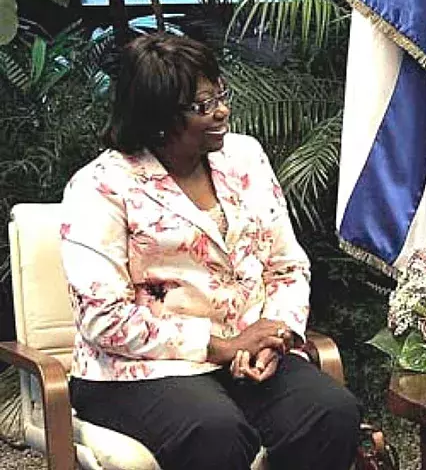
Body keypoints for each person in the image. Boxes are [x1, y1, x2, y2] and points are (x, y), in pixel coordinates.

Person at [60, 33, 361, 470]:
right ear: (158, 118)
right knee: (214, 432)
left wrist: (273, 337)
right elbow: (102, 317)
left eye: (220, 94)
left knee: (330, 412)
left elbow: (287, 266)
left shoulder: (246, 158)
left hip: (247, 355)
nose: (222, 110)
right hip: (141, 369)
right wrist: (221, 346)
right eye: (203, 105)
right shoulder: (100, 187)